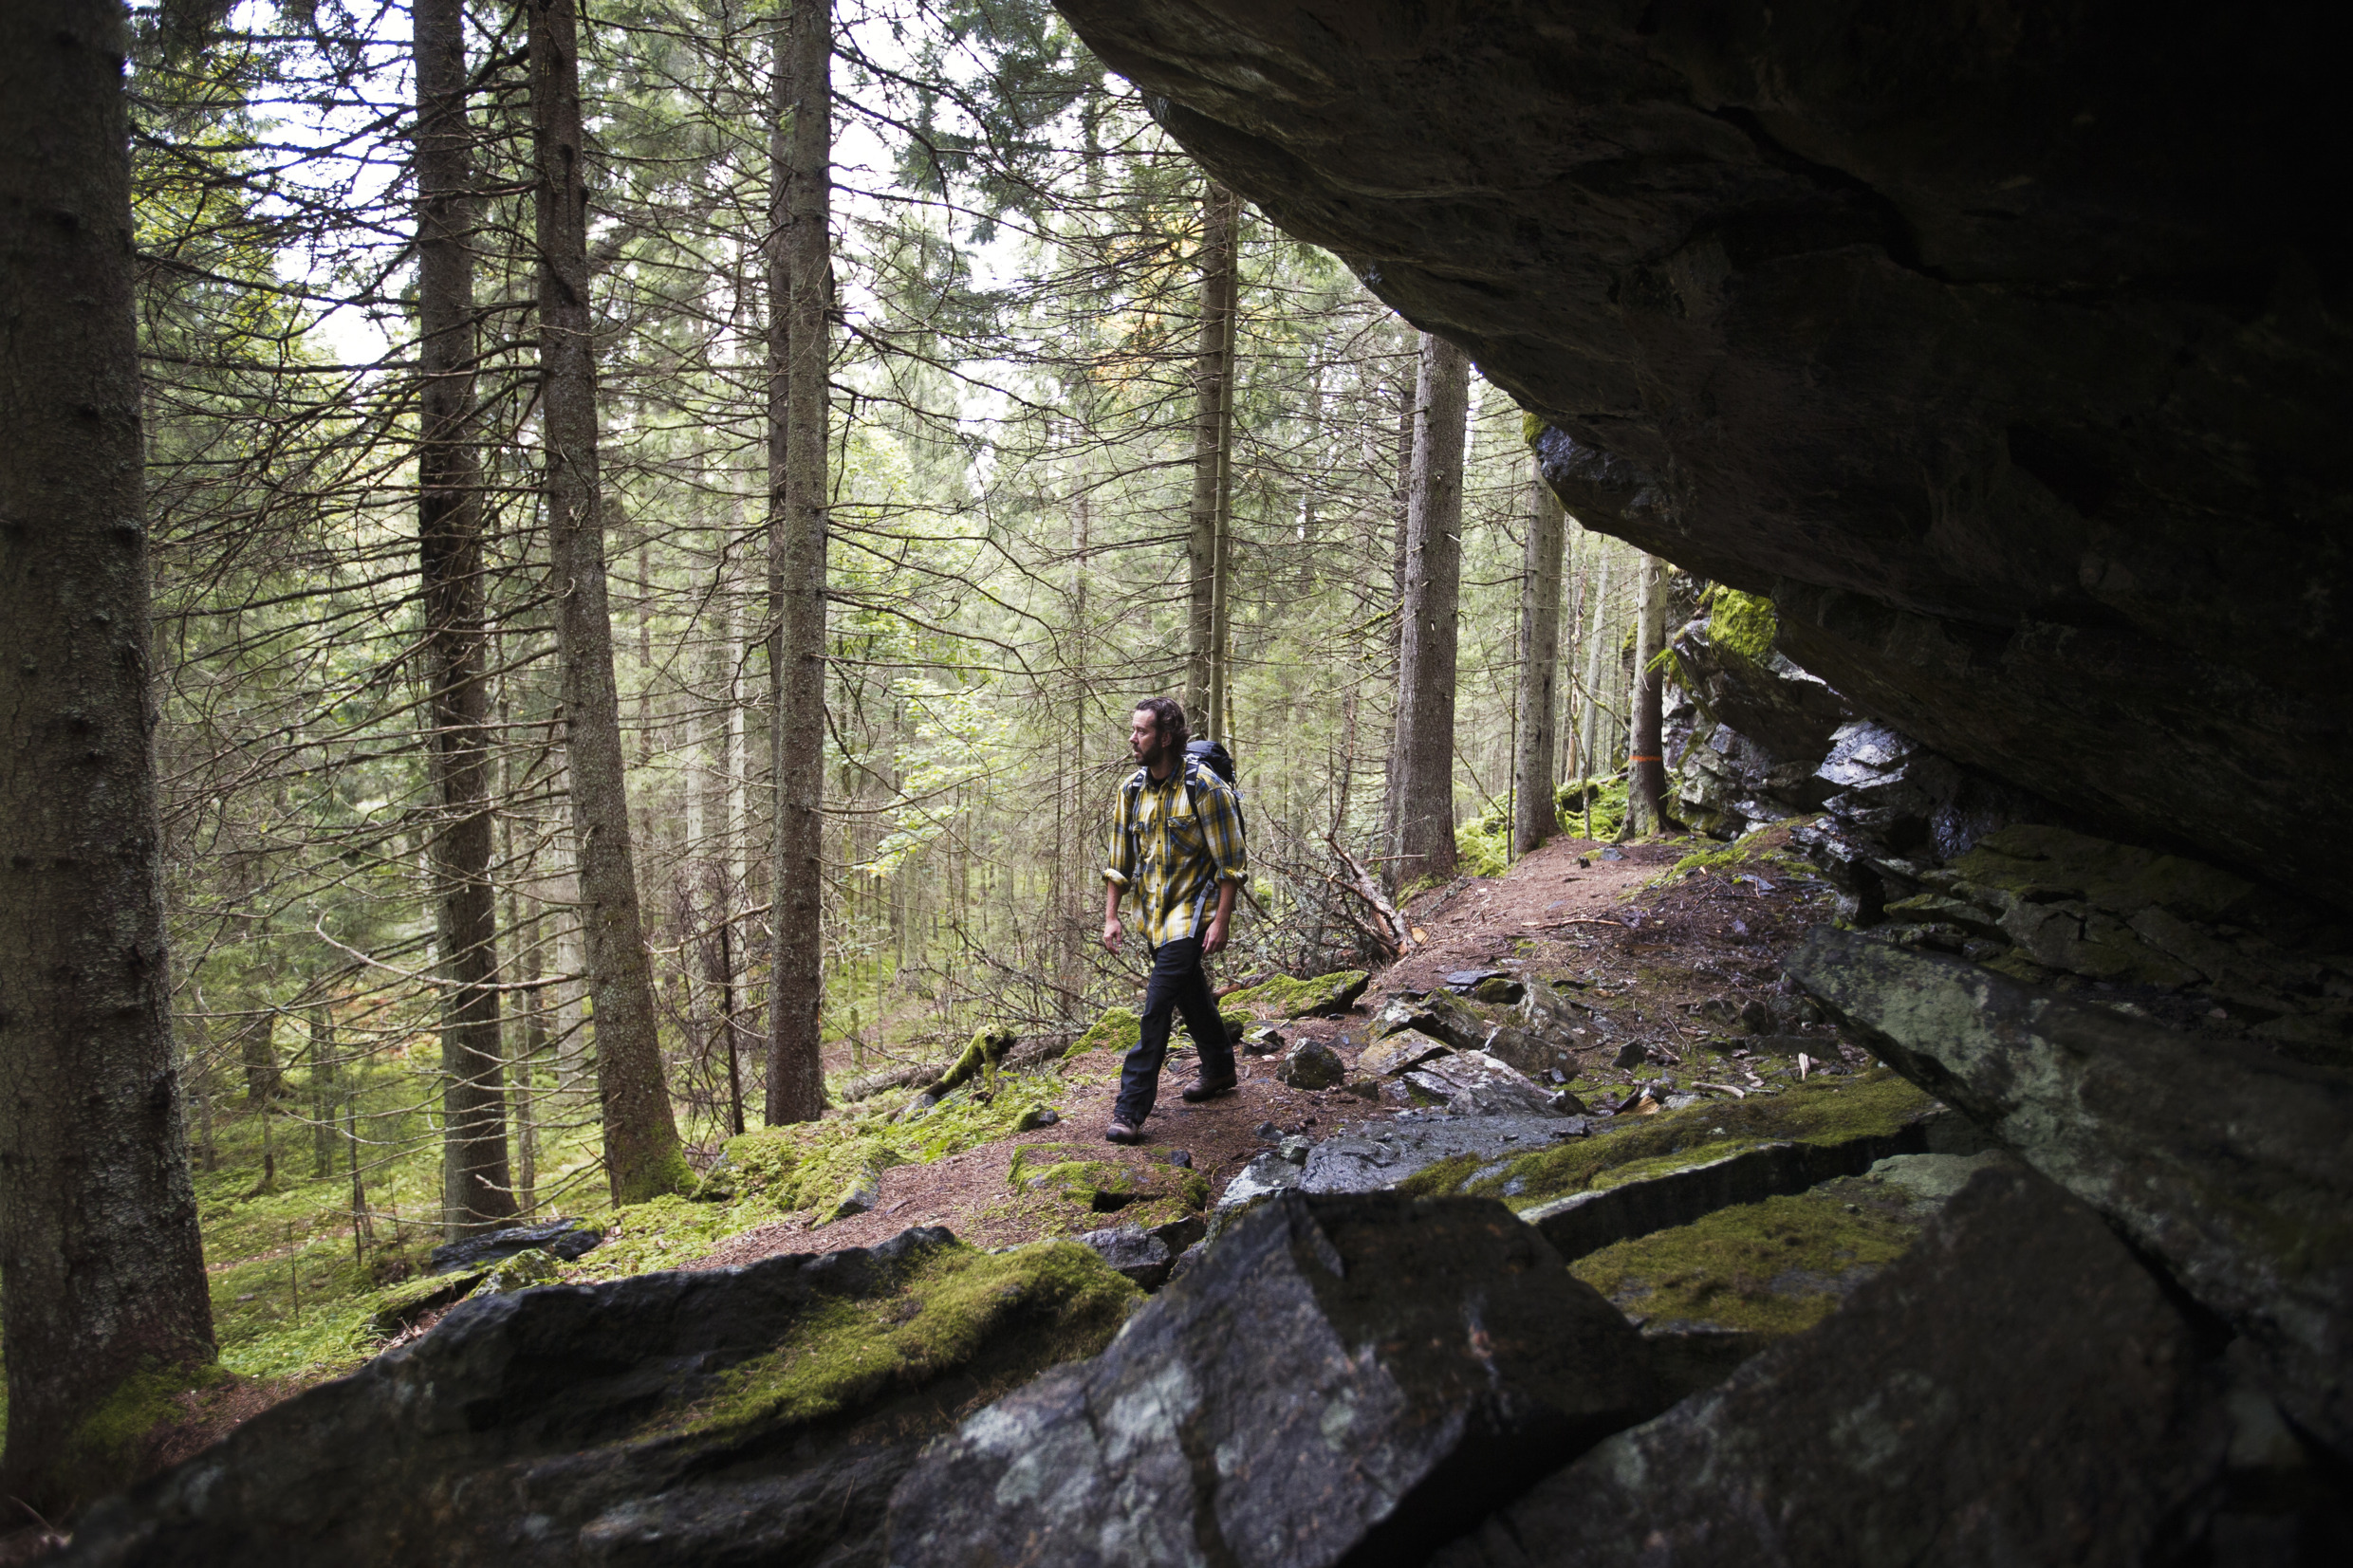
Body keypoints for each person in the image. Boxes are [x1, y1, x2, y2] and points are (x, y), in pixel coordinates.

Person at [1100, 696, 1246, 1143]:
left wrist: (1220, 920)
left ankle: (1130, 1109)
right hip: (1153, 916)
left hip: (1192, 913)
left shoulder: (1204, 787)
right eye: (1133, 729)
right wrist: (1111, 916)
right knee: (1190, 995)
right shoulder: (1132, 790)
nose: (1133, 738)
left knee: (1157, 1007)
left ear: (1165, 737)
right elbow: (1119, 862)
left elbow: (1231, 863)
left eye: (1141, 731)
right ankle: (1220, 1068)